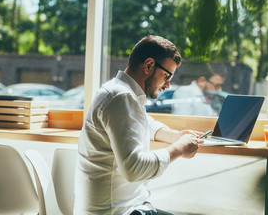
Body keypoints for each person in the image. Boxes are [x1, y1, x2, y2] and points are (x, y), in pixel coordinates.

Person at [74, 35, 204, 215]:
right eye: (167, 76)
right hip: (117, 211)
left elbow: (143, 123)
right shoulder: (121, 97)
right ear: (148, 65)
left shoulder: (118, 91)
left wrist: (176, 136)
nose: (168, 85)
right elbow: (133, 169)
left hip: (124, 206)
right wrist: (179, 149)